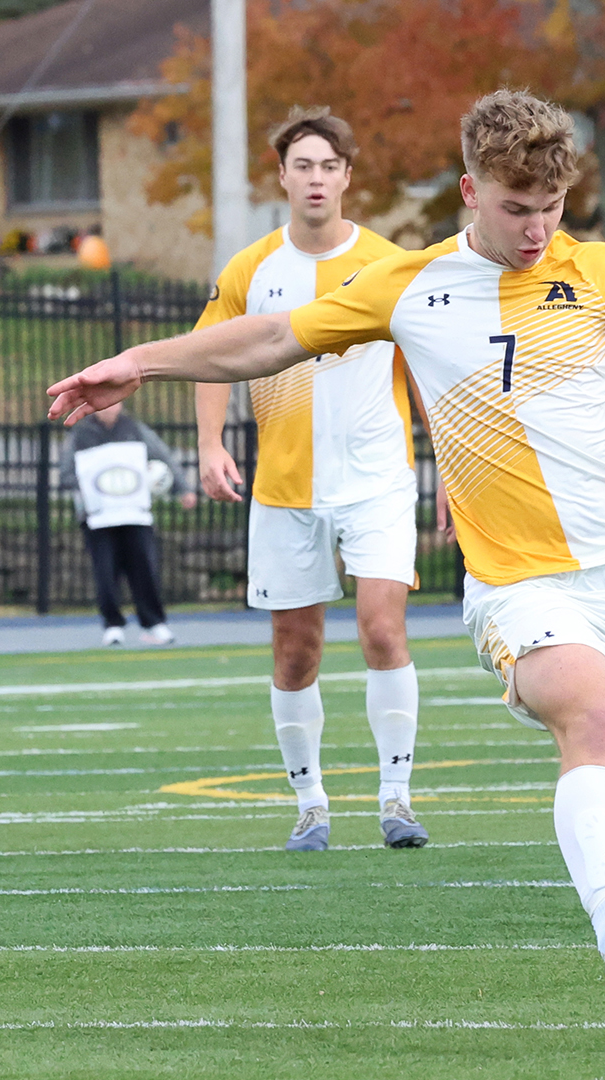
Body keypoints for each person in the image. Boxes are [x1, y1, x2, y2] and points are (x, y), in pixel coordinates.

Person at [46, 90, 605, 1004]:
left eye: (550, 208)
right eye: (515, 208)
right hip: (521, 582)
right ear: (470, 189)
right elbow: (270, 338)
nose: (535, 228)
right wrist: (140, 361)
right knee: (596, 721)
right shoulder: (411, 284)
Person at [194, 107, 429, 852]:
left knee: (381, 628)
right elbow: (211, 354)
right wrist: (209, 442)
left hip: (380, 479)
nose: (317, 177)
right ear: (284, 176)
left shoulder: (393, 266)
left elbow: (430, 369)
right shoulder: (251, 269)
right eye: (304, 165)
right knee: (296, 649)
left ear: (347, 176)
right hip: (286, 490)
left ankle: (397, 799)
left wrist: (449, 466)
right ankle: (311, 806)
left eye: (330, 165)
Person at [60, 401, 196, 645]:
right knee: (105, 572)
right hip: (97, 518)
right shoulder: (81, 434)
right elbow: (67, 473)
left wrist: (182, 488)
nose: (109, 408)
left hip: (135, 515)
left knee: (144, 569)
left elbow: (162, 456)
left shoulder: (135, 429)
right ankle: (112, 625)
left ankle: (154, 623)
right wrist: (91, 487)